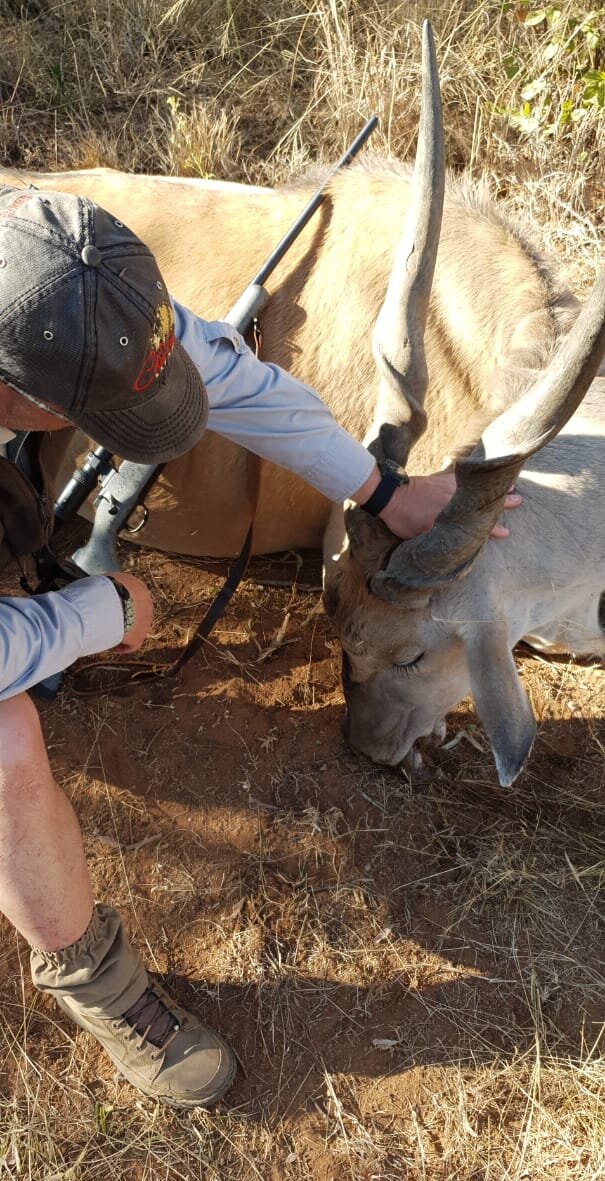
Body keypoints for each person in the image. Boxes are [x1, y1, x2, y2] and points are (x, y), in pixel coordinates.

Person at [0, 186, 521, 1109]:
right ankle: (98, 984)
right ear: (21, 397)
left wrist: (381, 489)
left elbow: (234, 383)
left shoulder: (76, 292)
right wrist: (96, 619)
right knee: (8, 745)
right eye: (111, 424)